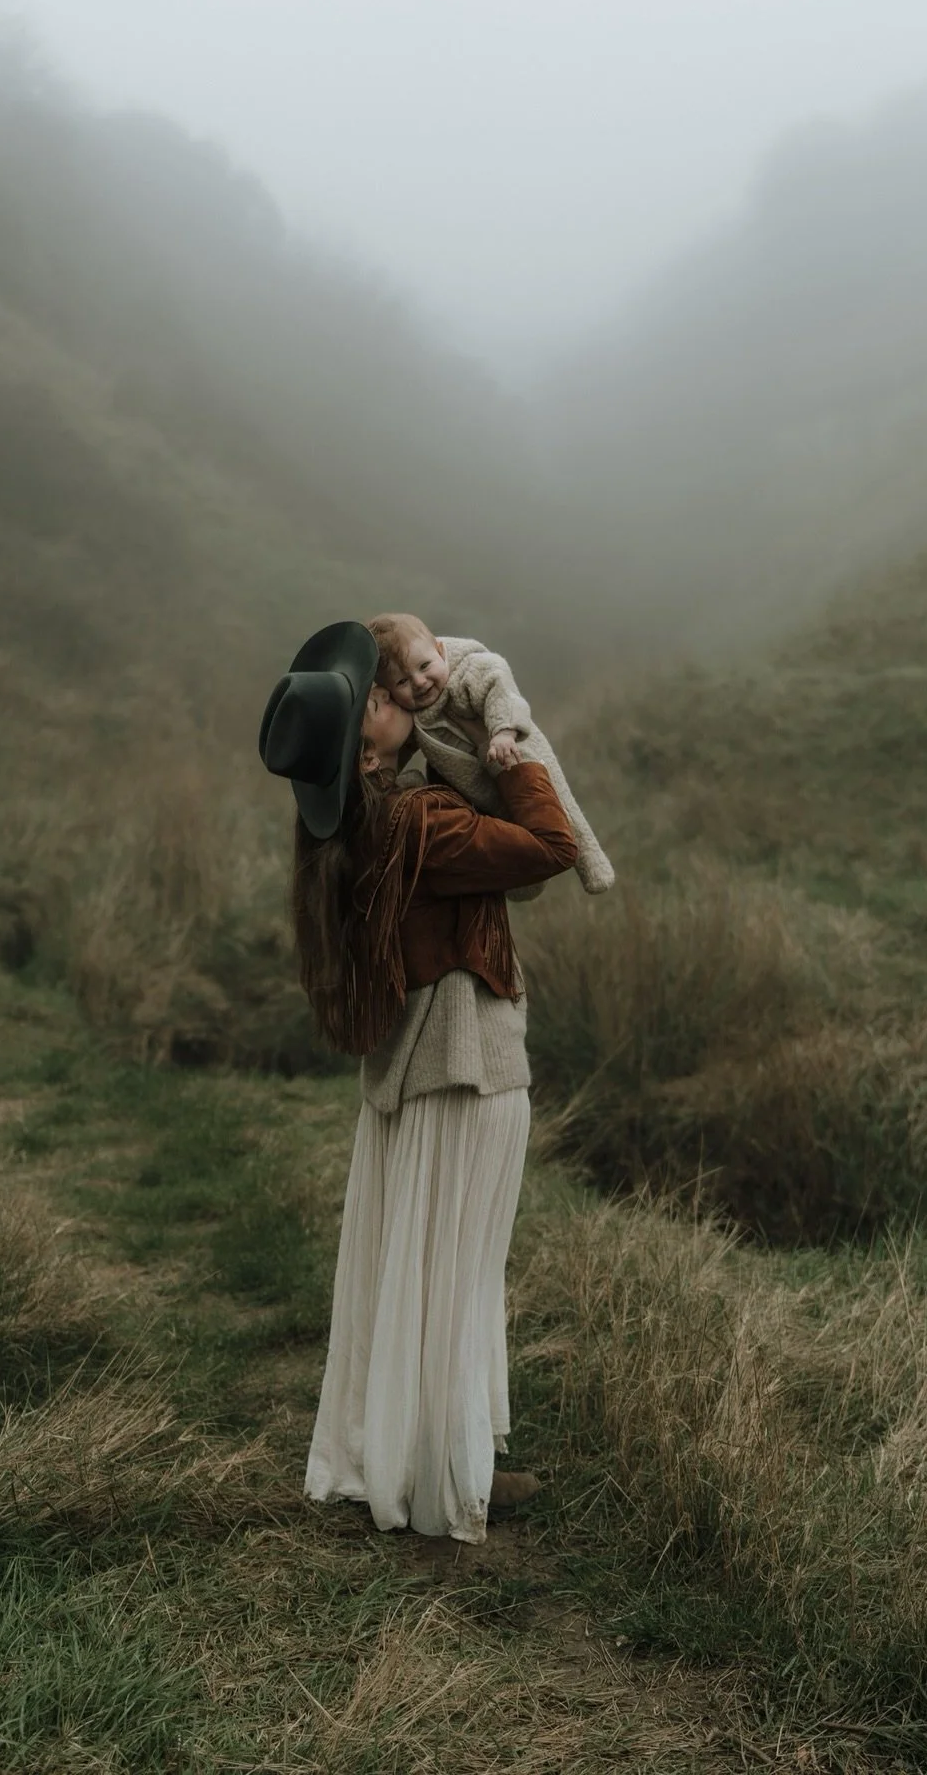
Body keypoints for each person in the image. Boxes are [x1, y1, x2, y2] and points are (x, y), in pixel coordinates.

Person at [258, 621, 579, 1542]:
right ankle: (443, 1475)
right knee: (454, 1277)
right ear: (361, 753)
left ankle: (433, 1454)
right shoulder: (421, 822)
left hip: (413, 1074)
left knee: (423, 1273)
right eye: (375, 697)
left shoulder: (362, 827)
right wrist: (503, 736)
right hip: (462, 1067)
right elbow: (552, 842)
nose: (396, 690)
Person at [367, 611, 614, 894]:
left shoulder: (467, 671)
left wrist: (502, 732)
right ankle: (525, 885)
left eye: (424, 666)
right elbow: (403, 751)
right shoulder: (415, 715)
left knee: (564, 810)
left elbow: (501, 689)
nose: (420, 682)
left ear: (439, 649)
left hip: (513, 750)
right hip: (476, 780)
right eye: (402, 682)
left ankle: (594, 867)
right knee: (507, 830)